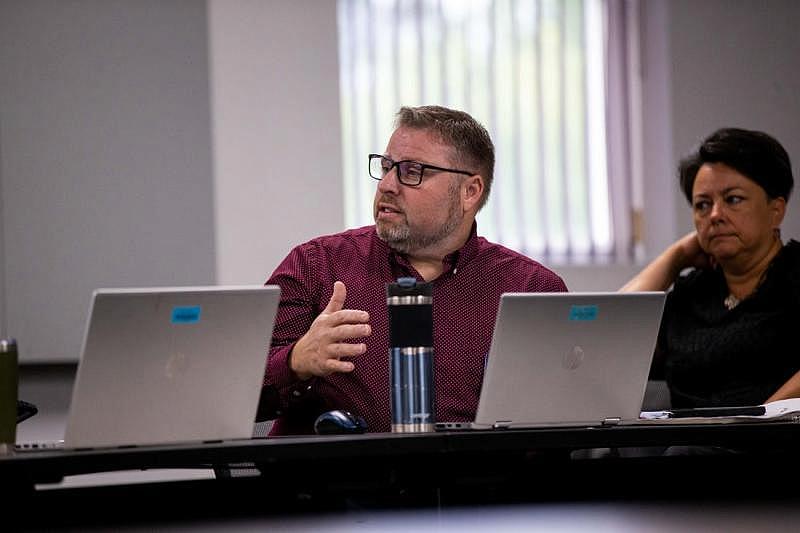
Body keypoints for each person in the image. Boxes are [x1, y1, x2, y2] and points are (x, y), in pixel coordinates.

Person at [257, 105, 567, 435]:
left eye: (412, 171)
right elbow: (228, 389)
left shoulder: (530, 288)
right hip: (339, 482)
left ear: (470, 191)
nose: (388, 185)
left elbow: (565, 413)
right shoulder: (318, 265)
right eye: (387, 167)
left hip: (477, 482)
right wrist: (295, 362)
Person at [622, 127, 800, 410]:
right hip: (681, 445)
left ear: (776, 209)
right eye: (702, 205)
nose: (715, 215)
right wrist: (675, 257)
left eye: (733, 200)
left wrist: (754, 423)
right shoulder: (692, 292)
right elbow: (612, 339)